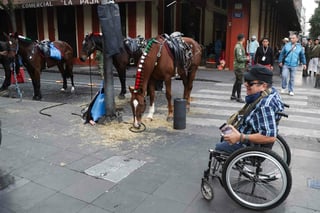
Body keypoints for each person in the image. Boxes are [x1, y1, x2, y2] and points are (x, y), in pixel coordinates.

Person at [216, 65, 284, 154]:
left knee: (219, 147)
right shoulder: (271, 91)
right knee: (226, 131)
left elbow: (270, 137)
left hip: (249, 146)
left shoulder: (265, 106)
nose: (245, 84)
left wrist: (240, 137)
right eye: (246, 81)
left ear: (264, 86)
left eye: (250, 83)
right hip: (249, 130)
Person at [231, 33, 249, 103]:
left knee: (237, 80)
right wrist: (246, 59)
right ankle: (238, 97)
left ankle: (233, 95)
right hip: (239, 66)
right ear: (243, 39)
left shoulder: (239, 46)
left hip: (238, 66)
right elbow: (239, 58)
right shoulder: (239, 47)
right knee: (239, 81)